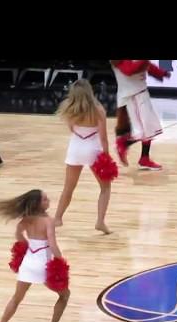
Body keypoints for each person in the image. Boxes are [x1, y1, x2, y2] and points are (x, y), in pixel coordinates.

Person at [0, 189, 69, 322]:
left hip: (28, 262)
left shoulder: (26, 219)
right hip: (43, 264)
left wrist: (27, 244)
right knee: (65, 295)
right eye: (45, 199)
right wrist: (60, 262)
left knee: (16, 298)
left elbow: (18, 235)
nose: (48, 200)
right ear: (38, 204)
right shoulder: (48, 221)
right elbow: (52, 243)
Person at [53, 79, 112, 234]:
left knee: (68, 188)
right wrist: (106, 158)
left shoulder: (68, 108)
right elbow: (104, 138)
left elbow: (72, 129)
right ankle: (100, 221)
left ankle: (57, 218)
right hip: (93, 149)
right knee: (105, 188)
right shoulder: (98, 110)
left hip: (76, 148)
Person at [110, 60, 170, 170]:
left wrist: (160, 73)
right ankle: (123, 143)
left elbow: (147, 65)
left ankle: (144, 158)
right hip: (132, 95)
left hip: (140, 92)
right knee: (142, 131)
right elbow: (129, 70)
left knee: (150, 128)